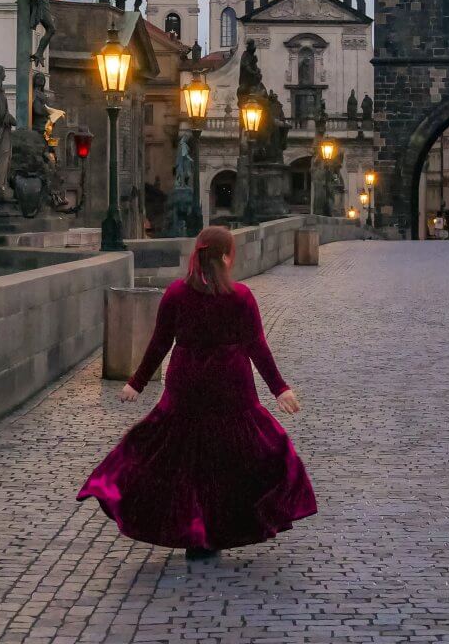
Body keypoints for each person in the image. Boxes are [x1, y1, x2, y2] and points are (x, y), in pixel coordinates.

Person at [77, 226, 316, 560]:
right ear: (227, 256)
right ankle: (222, 528)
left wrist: (137, 382)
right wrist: (280, 389)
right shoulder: (241, 297)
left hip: (186, 385)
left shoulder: (176, 293)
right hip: (231, 388)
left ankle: (195, 534)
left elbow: (160, 342)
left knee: (181, 459)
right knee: (242, 456)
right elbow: (256, 346)